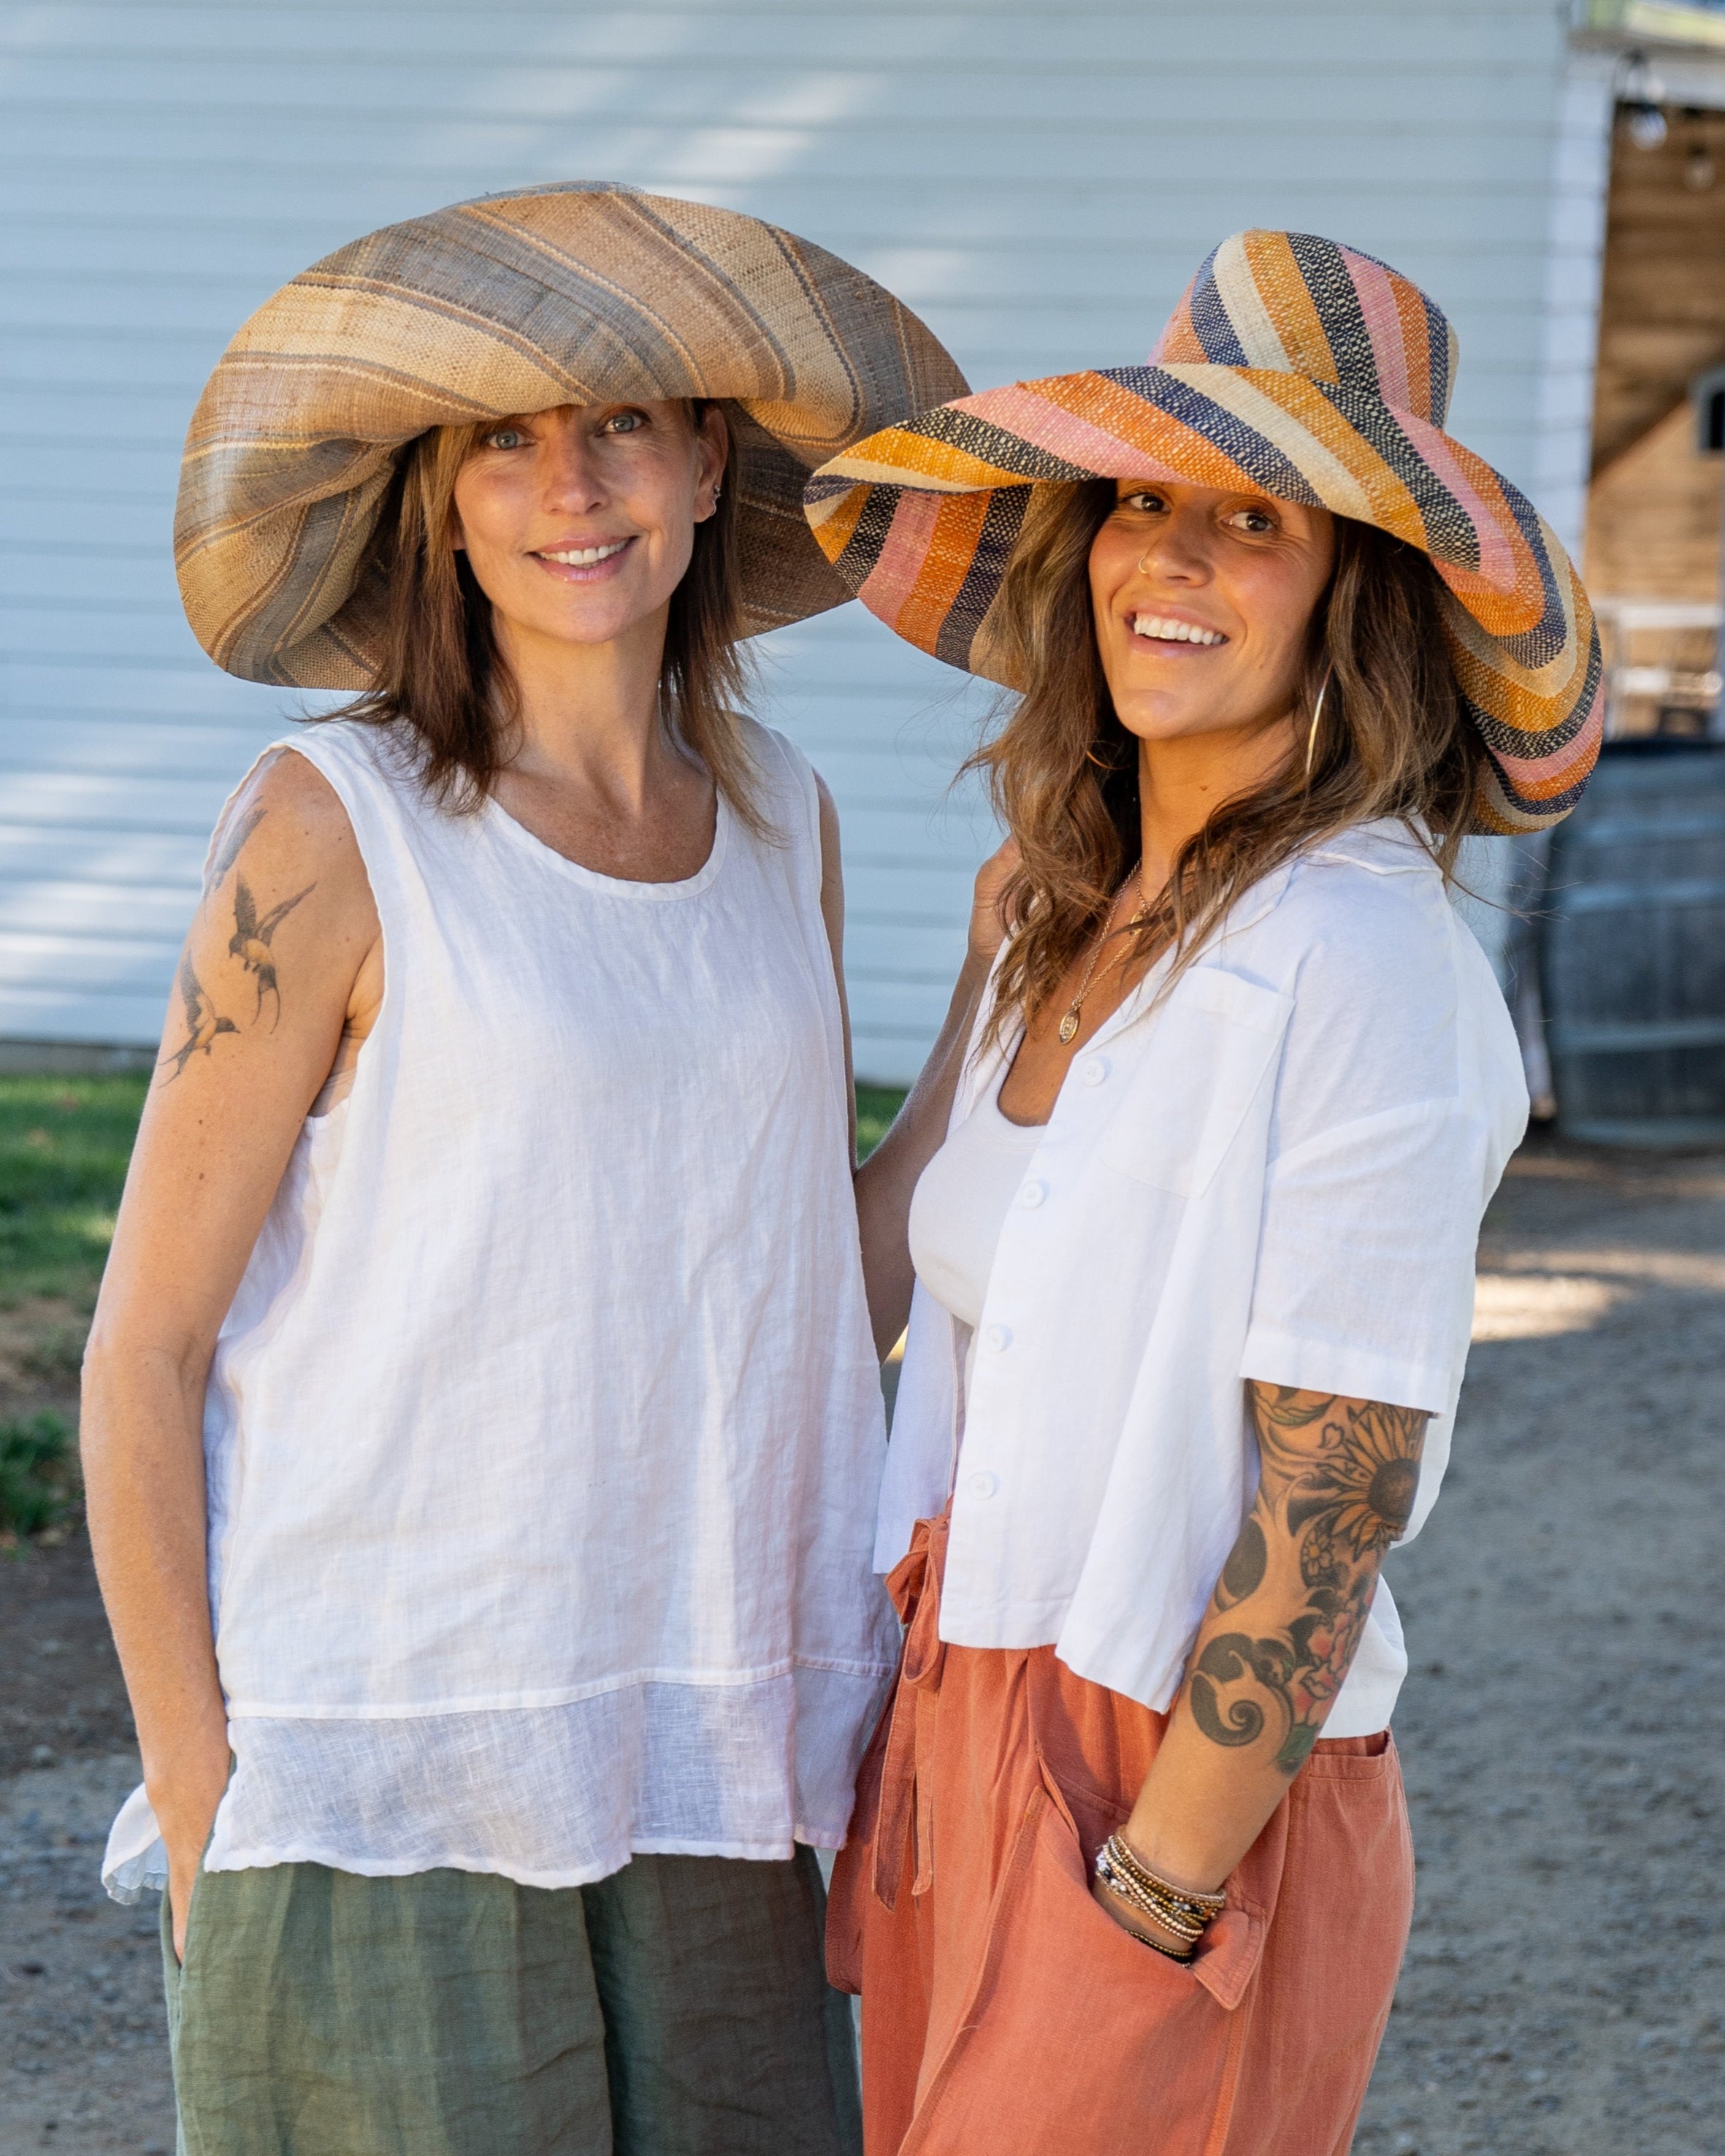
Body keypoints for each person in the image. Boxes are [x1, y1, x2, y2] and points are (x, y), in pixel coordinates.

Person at [82, 183, 965, 2156]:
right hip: (394, 1745)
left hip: (715, 1734)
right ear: (442, 497)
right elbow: (142, 1349)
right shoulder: (335, 826)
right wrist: (207, 1794)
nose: (571, 484)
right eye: (505, 436)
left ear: (706, 455)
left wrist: (1008, 998)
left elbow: (807, 1286)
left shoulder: (775, 818)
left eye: (622, 422)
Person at [800, 230, 1602, 2154]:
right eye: (1139, 501)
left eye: (1249, 518)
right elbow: (898, 1276)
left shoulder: (1359, 963)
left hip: (1171, 1780)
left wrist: (1153, 1894)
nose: (1166, 557)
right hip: (963, 1702)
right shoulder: (1057, 909)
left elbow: (1332, 1493)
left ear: (1362, 599)